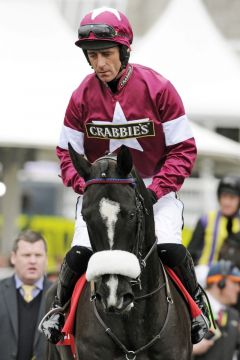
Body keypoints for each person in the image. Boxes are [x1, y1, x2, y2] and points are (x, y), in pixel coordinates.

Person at [40, 6, 210, 345]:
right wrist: (86, 186)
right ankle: (59, 311)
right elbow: (65, 154)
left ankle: (196, 311)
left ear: (124, 50)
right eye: (92, 56)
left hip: (154, 195)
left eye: (105, 54)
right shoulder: (81, 96)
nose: (99, 63)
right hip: (101, 198)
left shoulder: (160, 89)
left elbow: (183, 149)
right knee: (78, 254)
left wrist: (156, 190)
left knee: (171, 248)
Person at [0, 230, 52, 360]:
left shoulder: (60, 296)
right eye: (27, 255)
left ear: (46, 258)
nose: (33, 260)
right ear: (13, 257)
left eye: (38, 255)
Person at [192, 260, 240, 360]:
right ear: (220, 283)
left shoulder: (234, 316)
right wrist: (192, 349)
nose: (238, 289)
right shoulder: (192, 308)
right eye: (235, 283)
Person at [188, 175, 240, 267]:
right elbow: (190, 253)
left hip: (234, 277)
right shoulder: (205, 220)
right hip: (204, 274)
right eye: (224, 196)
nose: (227, 202)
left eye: (232, 198)